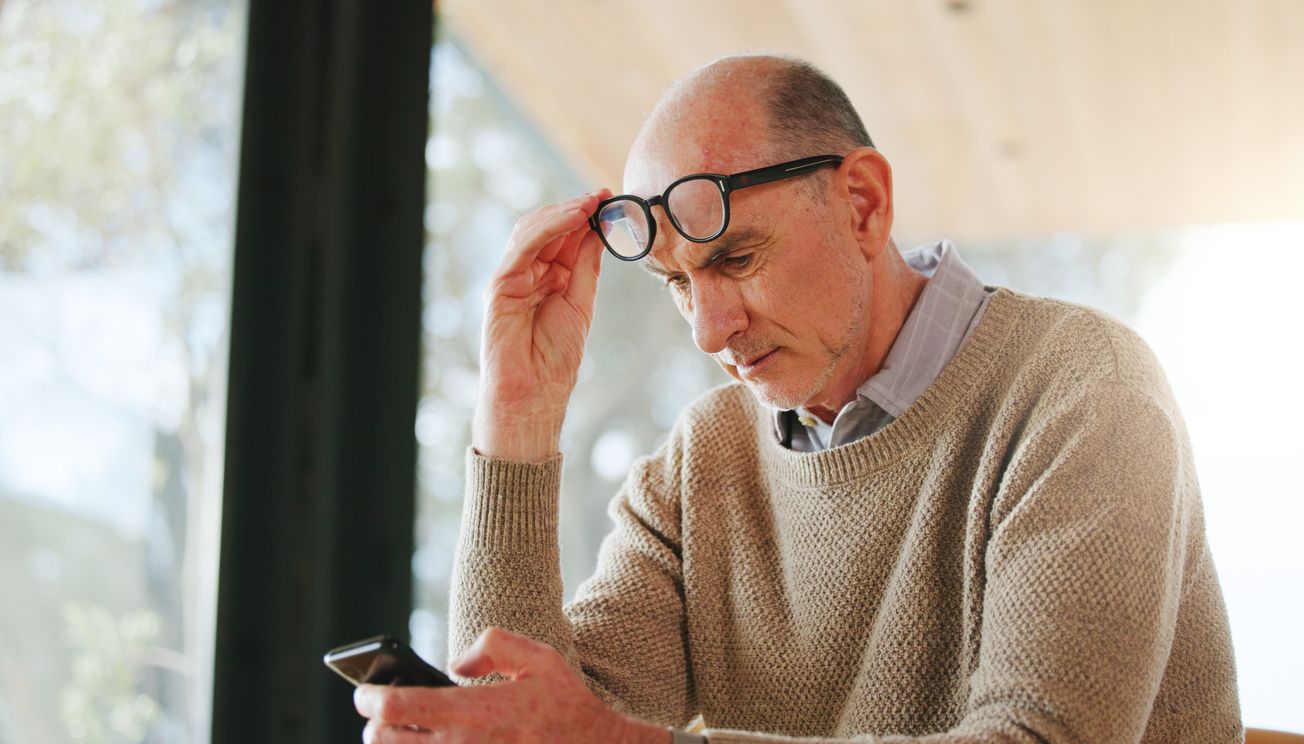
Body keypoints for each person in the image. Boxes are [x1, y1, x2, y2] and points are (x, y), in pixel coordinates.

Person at [354, 54, 1242, 743]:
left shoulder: (1083, 387)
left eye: (735, 259)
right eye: (674, 282)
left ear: (861, 204)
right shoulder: (701, 463)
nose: (708, 329)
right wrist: (517, 418)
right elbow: (525, 721)